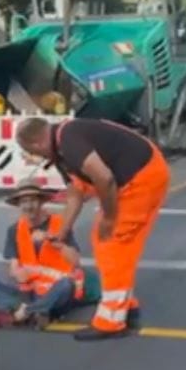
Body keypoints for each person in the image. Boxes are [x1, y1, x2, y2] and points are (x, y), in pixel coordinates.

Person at [16, 117, 170, 341]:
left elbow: (104, 178)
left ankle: (111, 322)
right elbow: (76, 193)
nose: (38, 158)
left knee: (111, 245)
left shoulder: (69, 142)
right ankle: (125, 309)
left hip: (139, 181)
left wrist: (109, 217)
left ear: (37, 144)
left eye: (33, 153)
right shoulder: (61, 146)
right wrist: (62, 232)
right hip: (147, 173)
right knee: (118, 247)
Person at [0, 181, 84, 327]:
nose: (28, 206)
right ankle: (29, 311)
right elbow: (13, 267)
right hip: (27, 294)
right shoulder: (14, 230)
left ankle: (24, 313)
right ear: (18, 205)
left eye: (33, 200)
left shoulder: (60, 224)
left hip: (55, 293)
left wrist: (54, 242)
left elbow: (76, 261)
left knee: (67, 285)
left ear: (41, 202)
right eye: (24, 201)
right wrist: (17, 273)